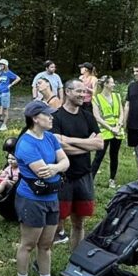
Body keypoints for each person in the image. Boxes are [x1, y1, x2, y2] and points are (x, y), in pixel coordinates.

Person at [12, 100, 70, 276]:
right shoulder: (26, 144)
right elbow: (41, 173)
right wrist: (56, 167)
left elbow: (65, 162)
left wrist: (55, 167)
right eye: (48, 115)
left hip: (51, 198)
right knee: (28, 244)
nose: (52, 118)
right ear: (36, 118)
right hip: (32, 200)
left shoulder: (51, 138)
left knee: (46, 245)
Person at [50, 80, 102, 250]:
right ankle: (43, 260)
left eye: (84, 91)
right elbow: (57, 146)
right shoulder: (56, 117)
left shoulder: (87, 116)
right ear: (67, 91)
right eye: (79, 91)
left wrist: (67, 141)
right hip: (62, 178)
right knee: (56, 222)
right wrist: (86, 144)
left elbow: (99, 144)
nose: (83, 95)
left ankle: (75, 260)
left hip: (83, 176)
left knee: (79, 222)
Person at [91, 76, 124, 188]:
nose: (114, 85)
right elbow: (97, 117)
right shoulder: (96, 98)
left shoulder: (117, 96)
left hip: (117, 131)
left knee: (114, 156)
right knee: (99, 156)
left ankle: (112, 179)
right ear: (105, 84)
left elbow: (121, 113)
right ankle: (90, 180)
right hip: (105, 131)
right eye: (112, 82)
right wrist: (111, 129)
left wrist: (118, 126)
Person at [0, 60, 20, 130]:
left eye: (2, 64)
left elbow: (18, 78)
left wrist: (11, 85)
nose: (0, 65)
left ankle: (4, 125)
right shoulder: (0, 73)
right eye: (0, 64)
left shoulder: (9, 73)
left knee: (5, 110)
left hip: (5, 93)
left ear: (5, 65)